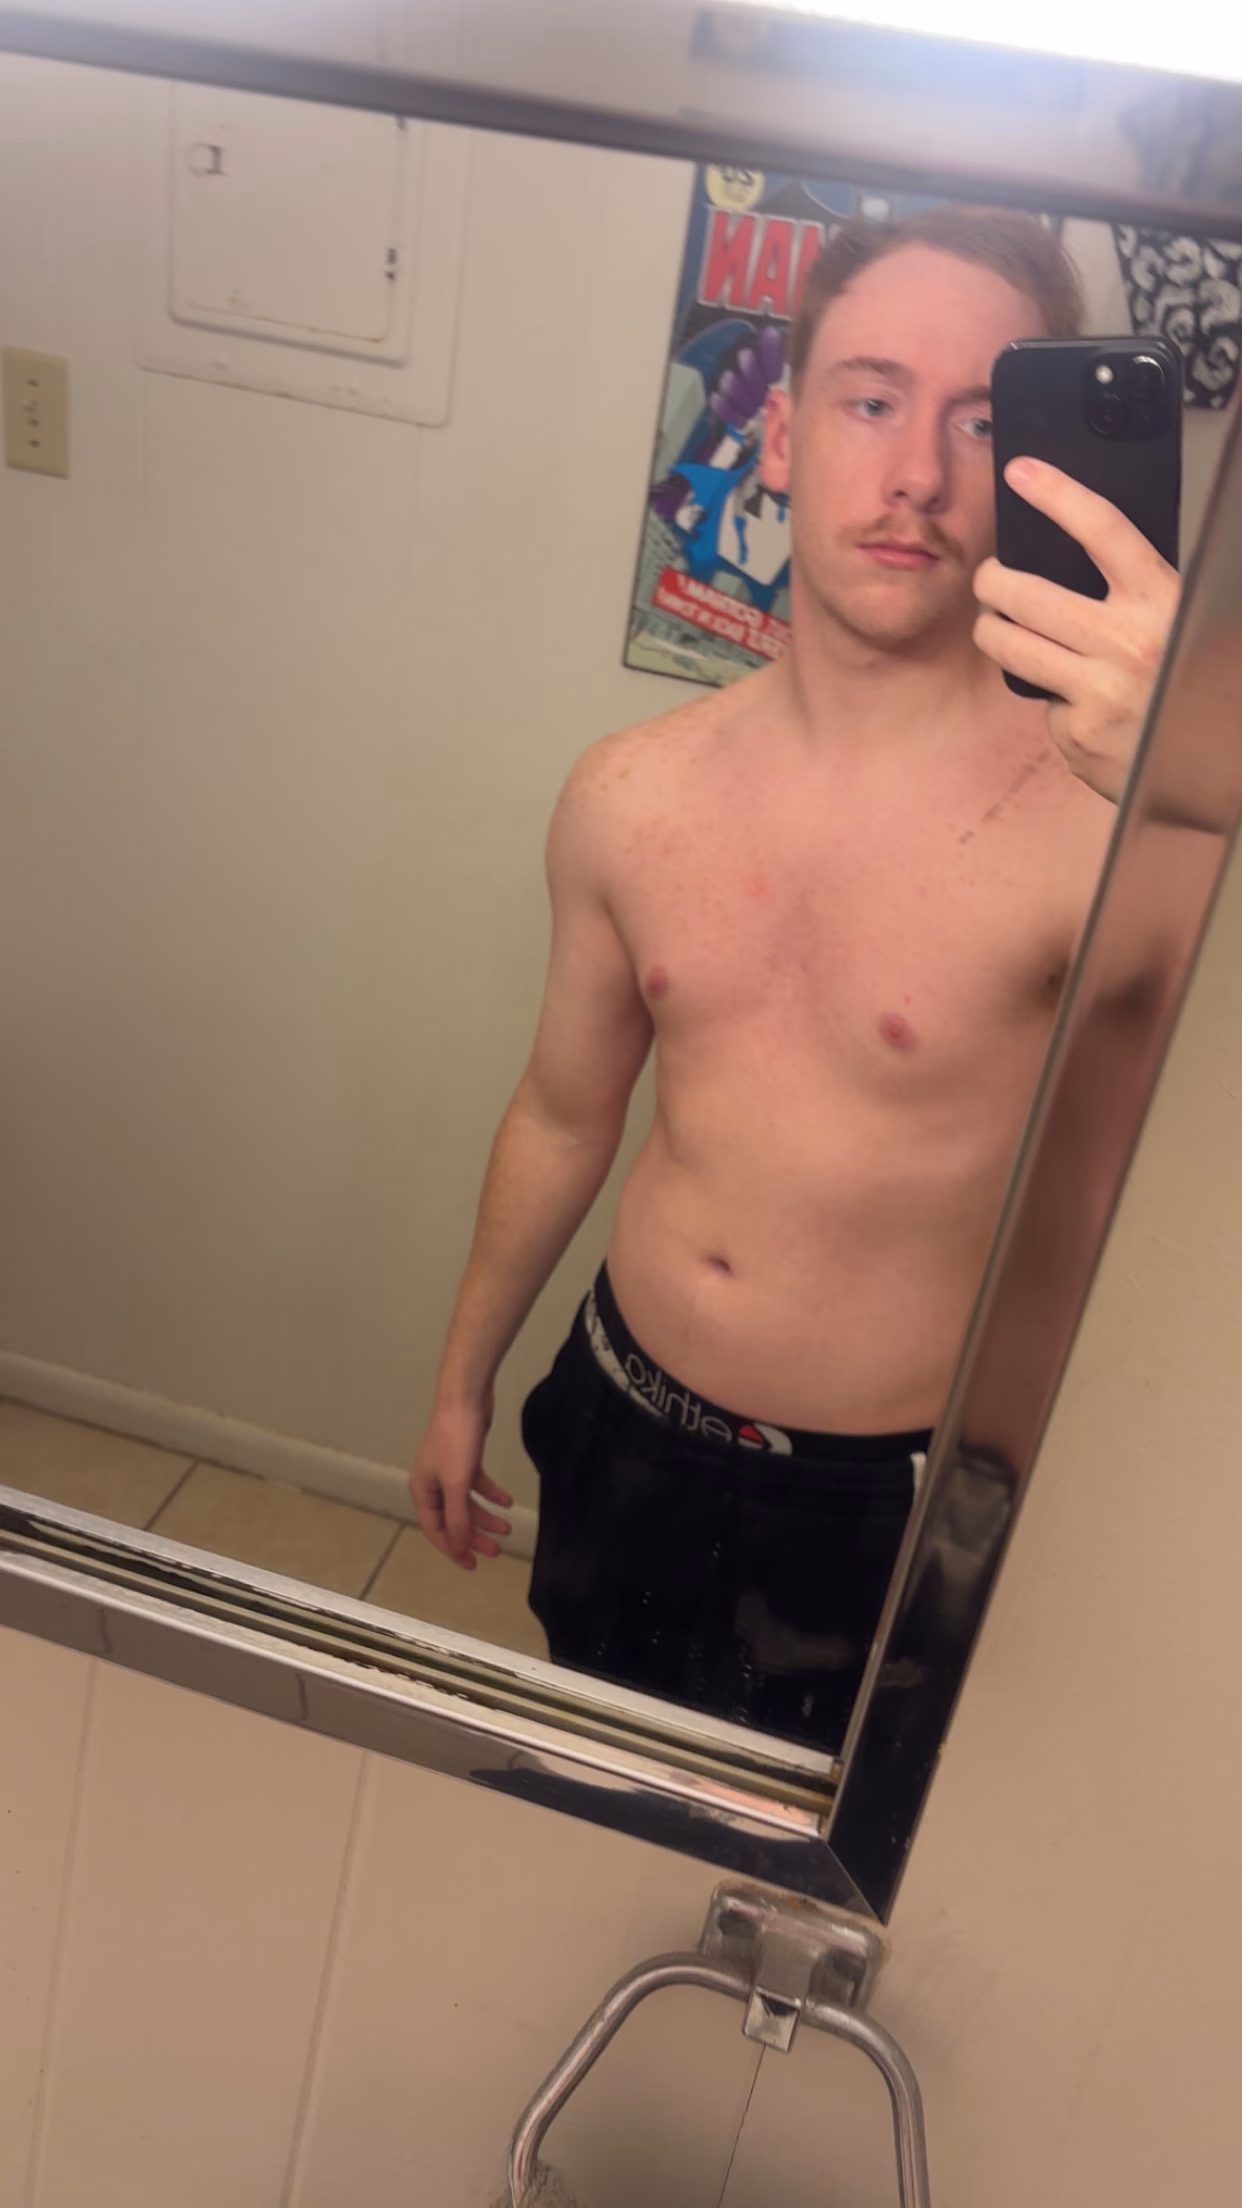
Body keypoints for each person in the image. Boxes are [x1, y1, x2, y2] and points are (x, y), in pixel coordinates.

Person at [409, 206, 1180, 1744]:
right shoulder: (629, 792)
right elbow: (563, 1113)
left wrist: (1202, 792)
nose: (918, 477)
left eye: (981, 421)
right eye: (870, 399)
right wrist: (460, 1376)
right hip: (621, 1415)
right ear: (779, 437)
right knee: (593, 1796)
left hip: (886, 1499)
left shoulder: (1116, 822)